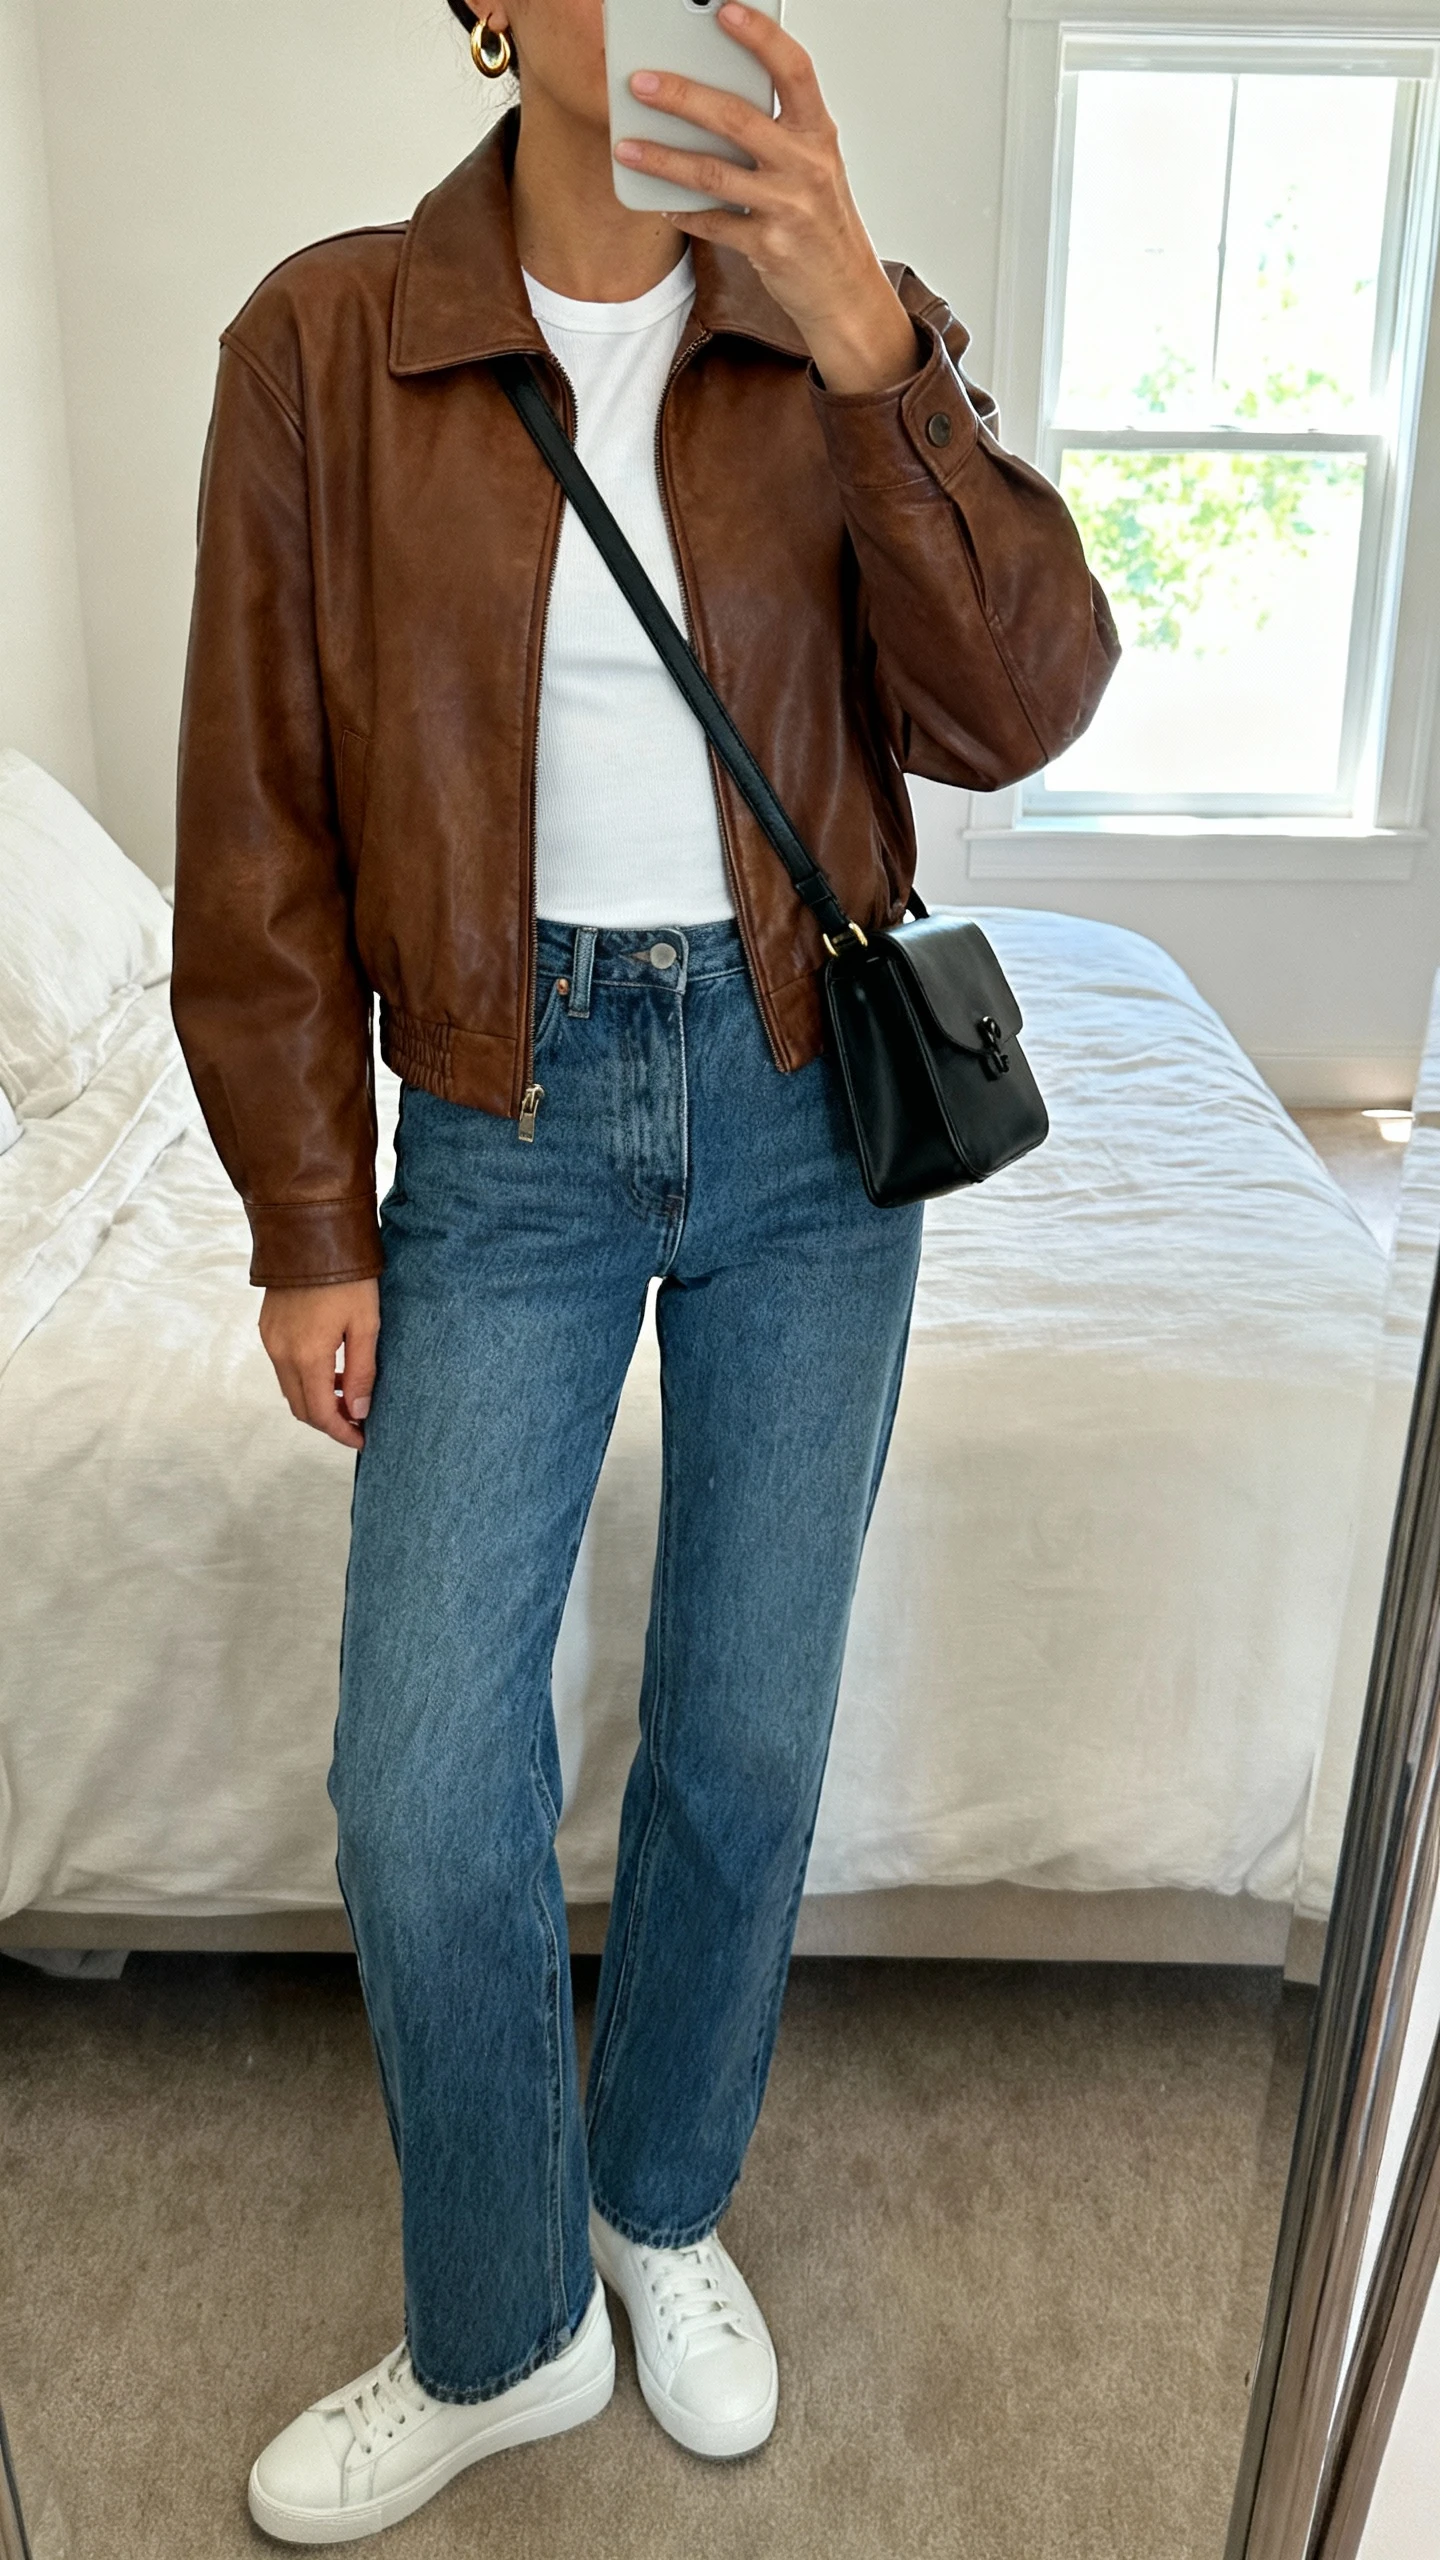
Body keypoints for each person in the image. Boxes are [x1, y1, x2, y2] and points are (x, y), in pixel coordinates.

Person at [171, 0, 1118, 2540]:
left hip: (817, 1097)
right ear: (490, 9)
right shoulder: (328, 340)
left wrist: (872, 349)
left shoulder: (837, 324)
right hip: (500, 1117)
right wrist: (303, 1217)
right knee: (417, 1774)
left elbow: (1026, 706)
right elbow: (256, 823)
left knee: (746, 1737)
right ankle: (502, 2319)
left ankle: (658, 2199)